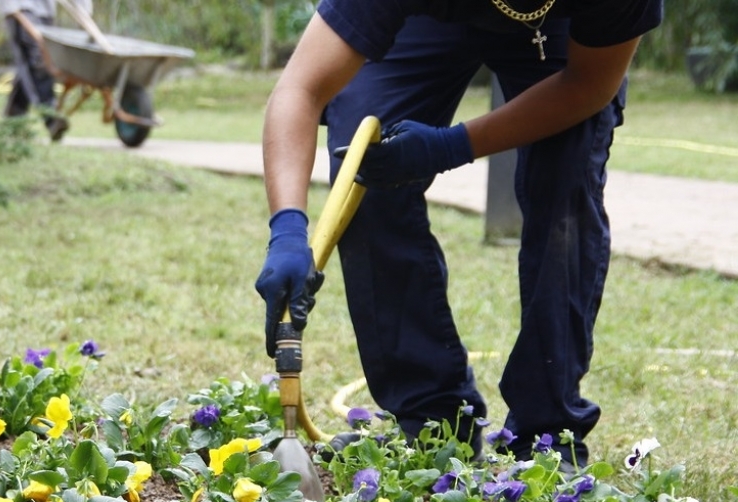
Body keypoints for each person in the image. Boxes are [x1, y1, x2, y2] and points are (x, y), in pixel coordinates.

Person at [254, 0, 663, 467]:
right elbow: (302, 87)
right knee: (364, 161)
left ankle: (547, 436)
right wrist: (287, 227)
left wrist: (452, 146)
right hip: (424, 19)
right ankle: (433, 422)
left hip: (562, 31)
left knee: (566, 181)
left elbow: (589, 84)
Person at [0, 0, 72, 141]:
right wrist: (11, 8)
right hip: (21, 10)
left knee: (27, 70)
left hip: (45, 10)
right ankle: (51, 118)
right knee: (39, 63)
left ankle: (12, 120)